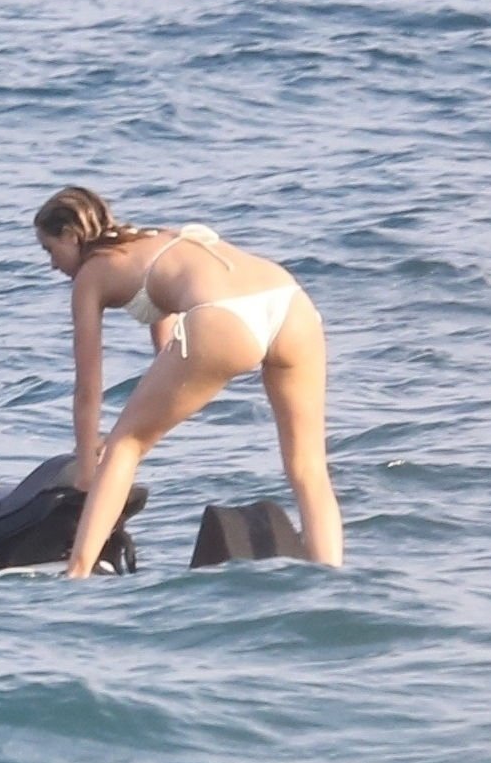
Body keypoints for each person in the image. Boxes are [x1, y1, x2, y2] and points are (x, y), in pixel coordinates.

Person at [32, 186, 343, 574]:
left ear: (70, 235)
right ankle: (332, 578)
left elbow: (87, 388)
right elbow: (169, 353)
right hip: (290, 301)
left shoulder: (90, 276)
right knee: (309, 468)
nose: (52, 265)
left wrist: (86, 471)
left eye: (49, 250)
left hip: (223, 315)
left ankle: (77, 572)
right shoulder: (154, 239)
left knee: (127, 444)